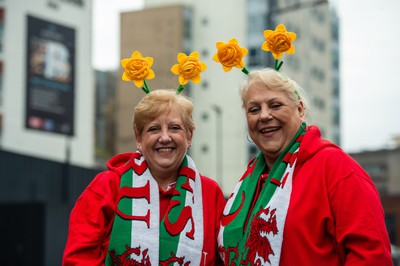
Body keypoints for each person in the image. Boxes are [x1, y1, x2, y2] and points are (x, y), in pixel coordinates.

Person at [217, 68, 392, 265]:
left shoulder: (335, 167)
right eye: (254, 109)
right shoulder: (248, 181)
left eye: (275, 105)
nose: (264, 116)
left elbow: (371, 256)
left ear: (300, 109)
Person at [63, 89, 225, 265]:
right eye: (154, 129)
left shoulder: (210, 193)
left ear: (189, 136)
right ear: (138, 138)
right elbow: (78, 259)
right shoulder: (107, 186)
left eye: (174, 128)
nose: (164, 137)